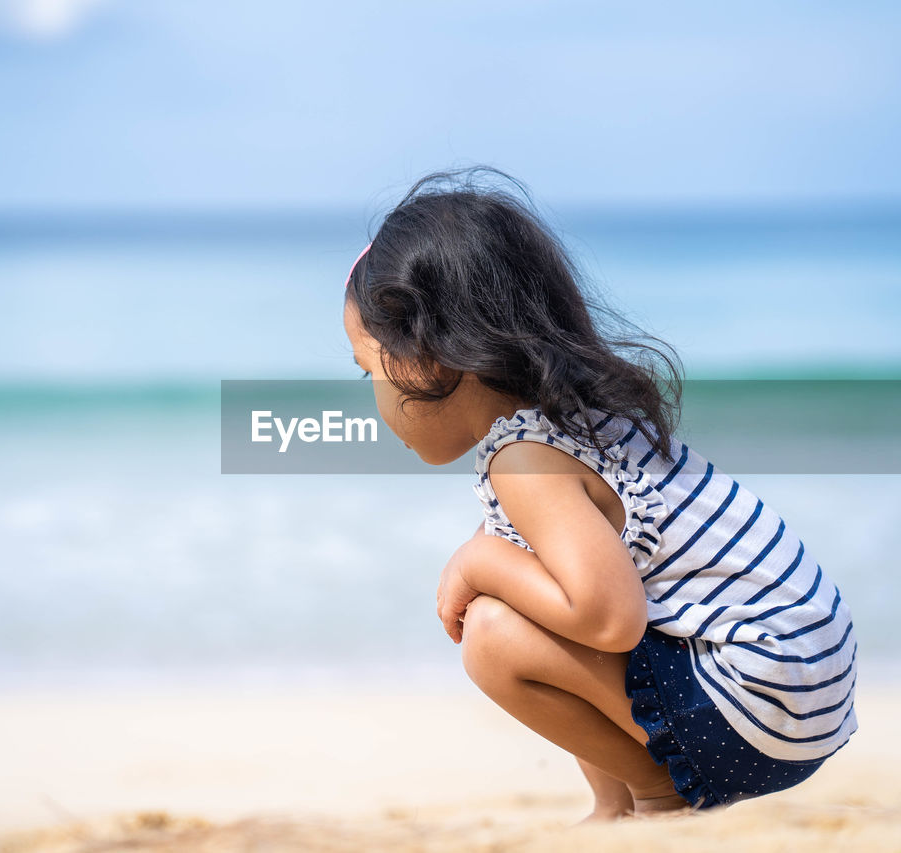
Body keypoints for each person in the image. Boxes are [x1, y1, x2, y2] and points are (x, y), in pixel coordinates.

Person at [340, 166, 857, 820]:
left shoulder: (524, 456)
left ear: (428, 357)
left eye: (370, 372)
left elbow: (610, 619)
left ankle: (657, 794)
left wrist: (477, 562)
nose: (377, 401)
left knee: (494, 631)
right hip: (805, 692)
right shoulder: (582, 417)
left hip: (757, 709)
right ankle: (614, 801)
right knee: (538, 584)